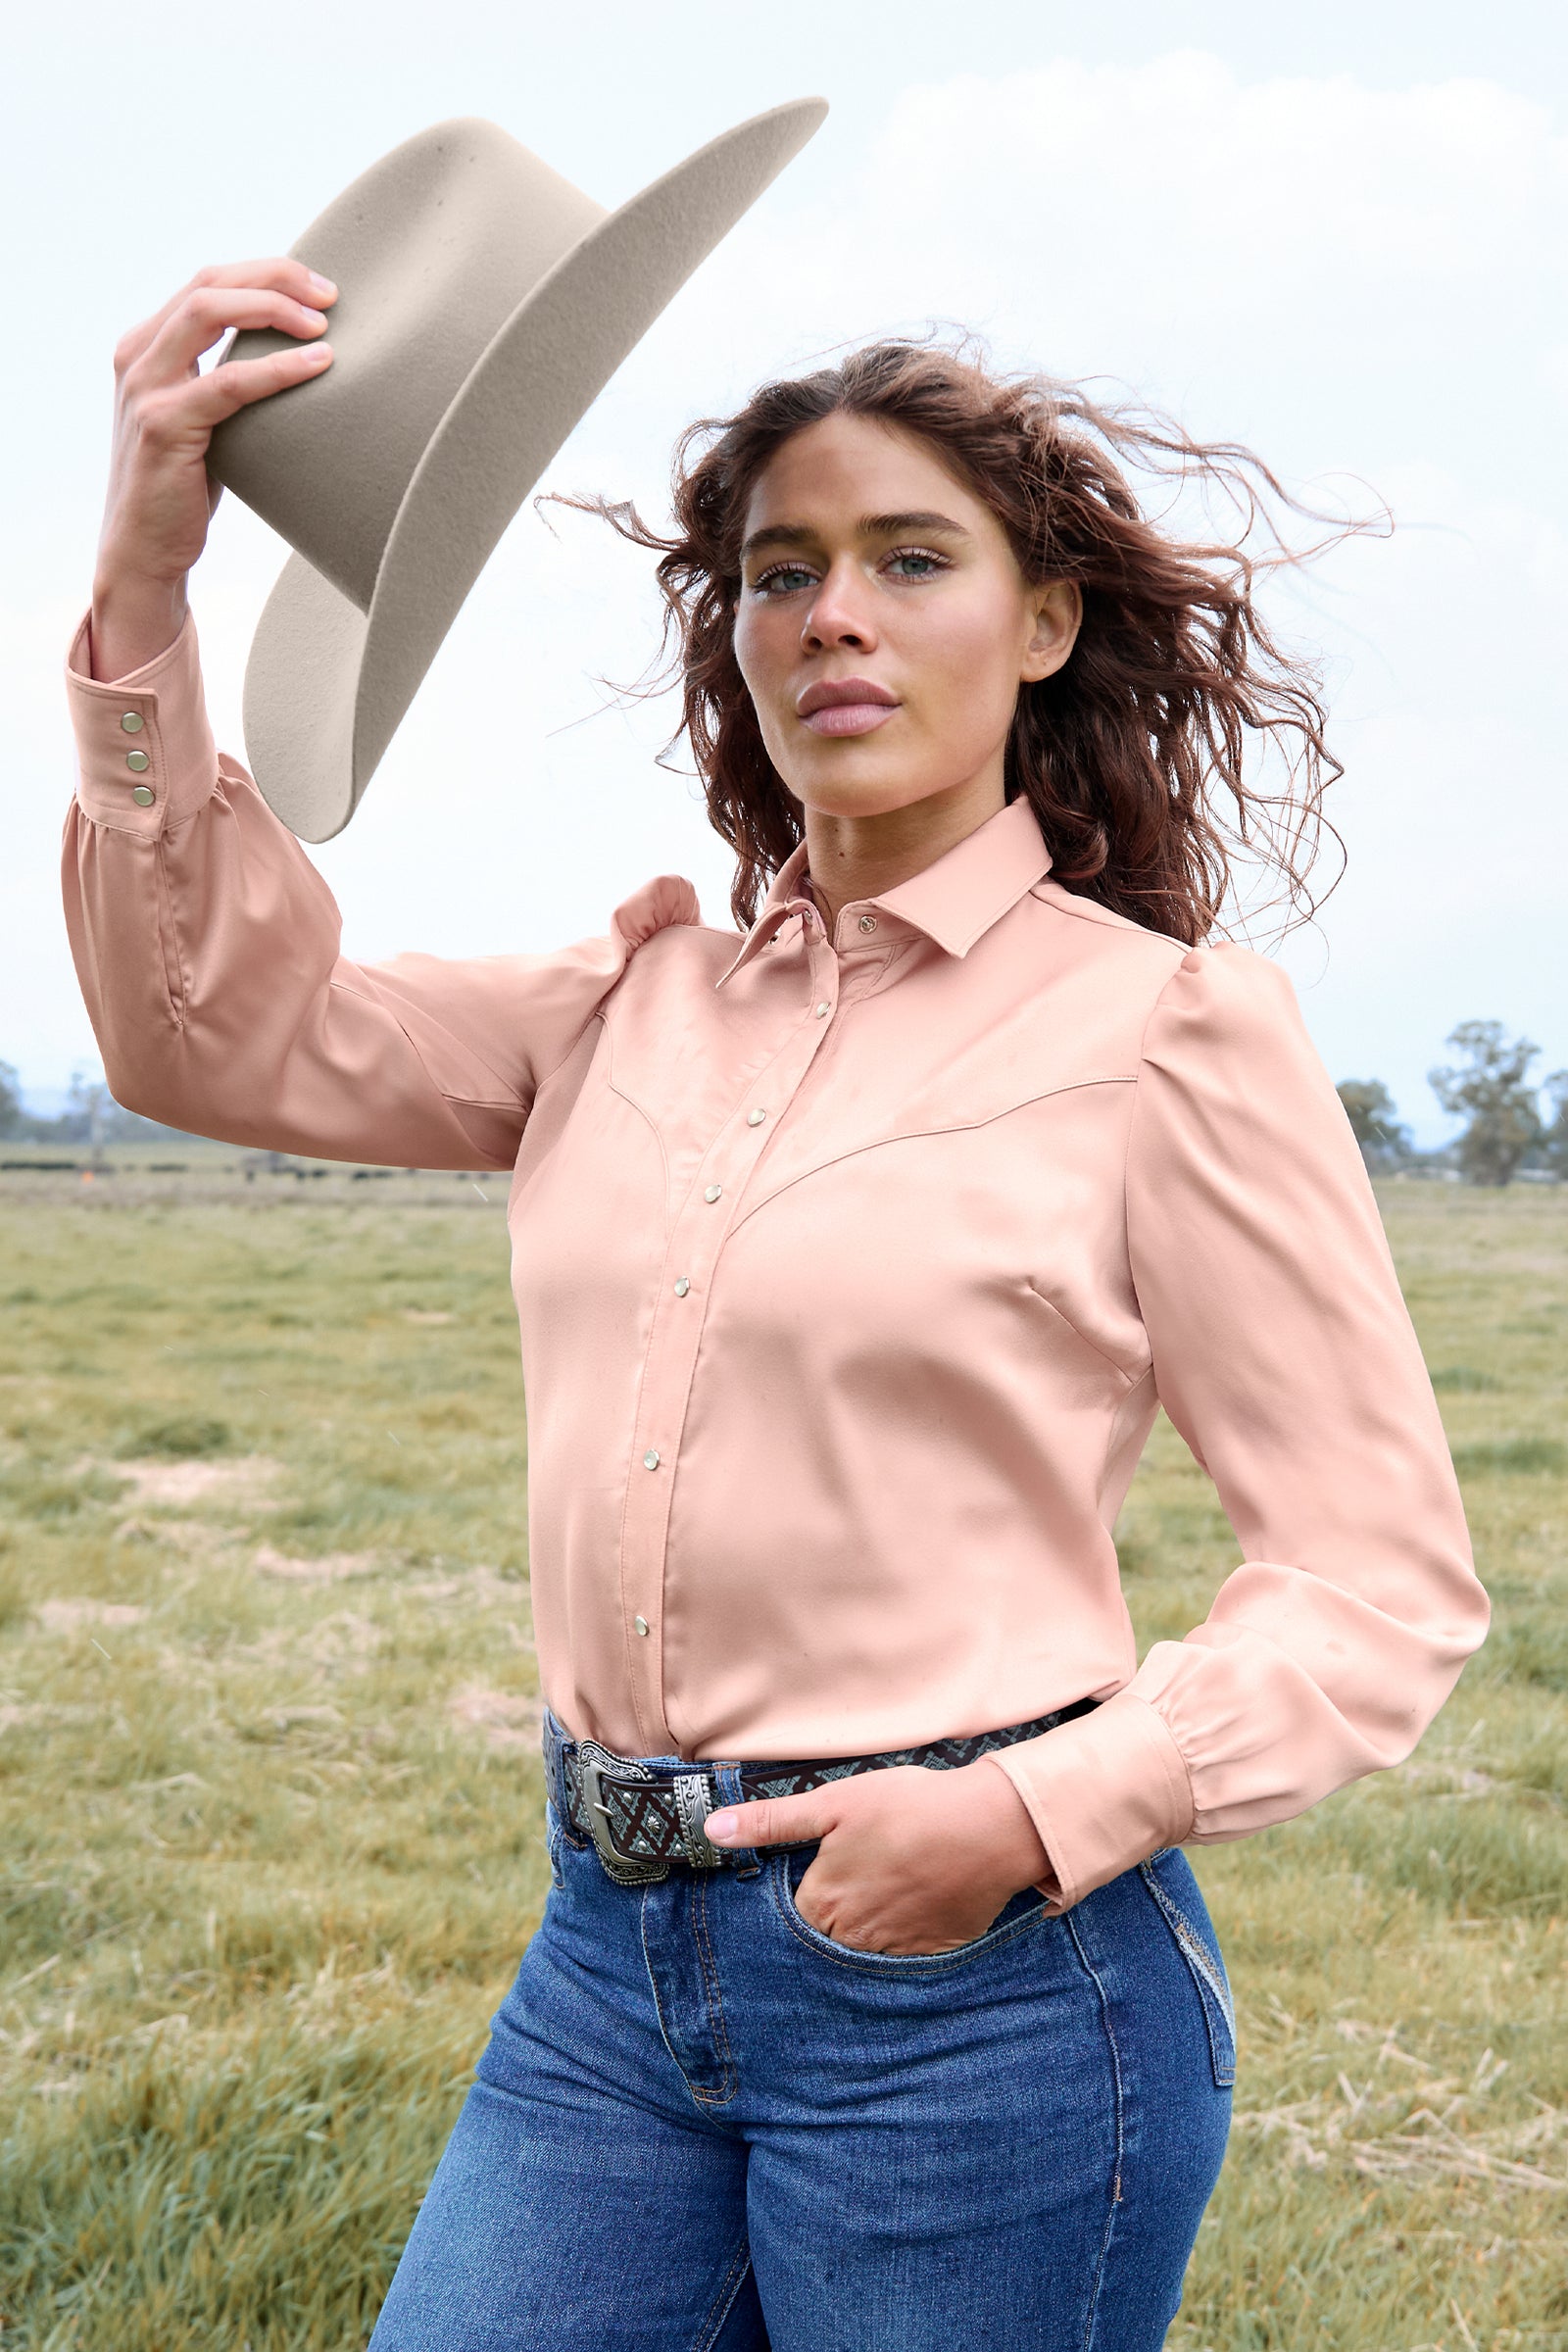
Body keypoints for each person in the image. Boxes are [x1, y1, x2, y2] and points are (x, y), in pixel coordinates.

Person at [66, 260, 1488, 2351]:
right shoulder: (622, 1002)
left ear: (1040, 623)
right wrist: (147, 593)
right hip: (604, 1965)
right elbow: (202, 1035)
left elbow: (1371, 1577)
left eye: (908, 560)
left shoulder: (1167, 1034)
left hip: (983, 1990)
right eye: (774, 570)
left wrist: (1021, 1813)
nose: (827, 612)